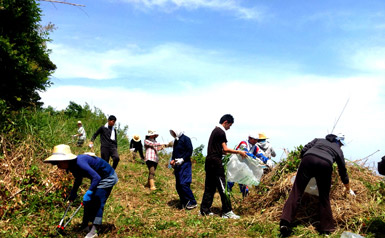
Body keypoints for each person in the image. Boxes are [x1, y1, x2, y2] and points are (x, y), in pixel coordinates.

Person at [280, 133, 355, 236]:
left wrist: (304, 163)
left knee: (296, 191)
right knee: (324, 197)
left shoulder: (318, 140)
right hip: (325, 164)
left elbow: (304, 150)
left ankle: (285, 222)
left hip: (308, 159)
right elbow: (342, 170)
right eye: (341, 144)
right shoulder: (338, 150)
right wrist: (348, 188)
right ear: (338, 142)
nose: (341, 146)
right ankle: (326, 229)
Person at [44, 144, 118, 238]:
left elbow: (96, 177)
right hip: (98, 177)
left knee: (97, 202)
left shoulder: (79, 163)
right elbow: (78, 179)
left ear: (66, 160)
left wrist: (90, 192)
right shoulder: (72, 166)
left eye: (58, 163)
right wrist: (73, 192)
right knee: (88, 202)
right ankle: (84, 225)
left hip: (107, 177)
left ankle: (95, 230)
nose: (57, 166)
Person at [200, 114, 247, 219]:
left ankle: (204, 210)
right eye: (229, 125)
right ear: (225, 122)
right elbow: (225, 149)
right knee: (223, 188)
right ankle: (227, 211)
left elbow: (220, 150)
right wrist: (238, 152)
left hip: (209, 161)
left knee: (209, 187)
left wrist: (226, 153)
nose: (229, 128)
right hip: (216, 162)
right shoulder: (221, 132)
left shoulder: (214, 131)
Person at [227, 133, 273, 197]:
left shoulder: (255, 147)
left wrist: (267, 160)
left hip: (243, 166)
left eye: (257, 140)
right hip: (235, 164)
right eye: (254, 140)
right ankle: (227, 195)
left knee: (244, 181)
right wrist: (255, 158)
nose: (256, 141)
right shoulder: (243, 143)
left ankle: (245, 198)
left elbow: (260, 155)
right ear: (249, 138)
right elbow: (246, 153)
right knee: (231, 179)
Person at [169, 129, 197, 210]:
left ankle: (192, 202)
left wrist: (183, 159)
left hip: (185, 164)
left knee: (184, 183)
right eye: (172, 133)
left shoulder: (186, 139)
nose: (173, 134)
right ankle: (184, 202)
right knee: (178, 185)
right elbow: (174, 152)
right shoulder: (176, 140)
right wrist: (173, 160)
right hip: (178, 165)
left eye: (174, 132)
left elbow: (189, 151)